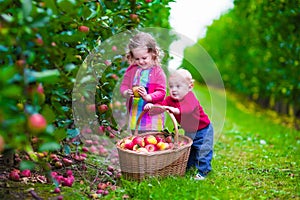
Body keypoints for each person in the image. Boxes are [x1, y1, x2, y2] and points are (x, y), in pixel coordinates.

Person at [144, 69, 214, 180]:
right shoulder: (170, 99)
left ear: (190, 87)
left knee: (203, 150)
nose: (174, 90)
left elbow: (187, 109)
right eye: (171, 87)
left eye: (178, 86)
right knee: (190, 150)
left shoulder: (190, 97)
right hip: (189, 130)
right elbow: (161, 106)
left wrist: (174, 109)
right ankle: (189, 167)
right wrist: (152, 107)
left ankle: (203, 172)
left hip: (203, 129)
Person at [120, 32, 166, 133]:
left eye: (144, 58)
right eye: (137, 59)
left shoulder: (157, 72)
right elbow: (124, 86)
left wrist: (148, 97)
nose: (141, 61)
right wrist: (126, 93)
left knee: (153, 141)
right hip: (135, 113)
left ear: (153, 54)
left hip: (152, 116)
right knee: (137, 141)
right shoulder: (131, 70)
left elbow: (161, 92)